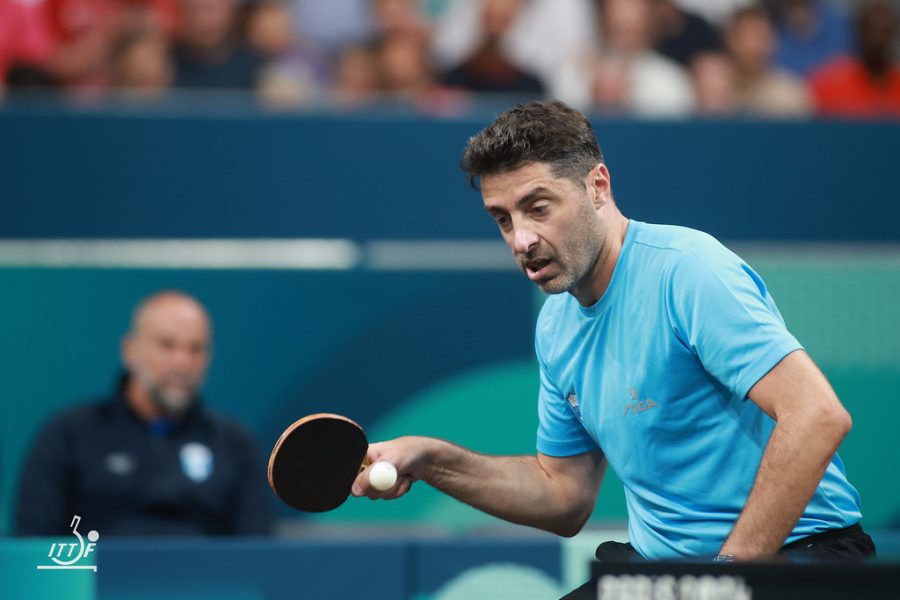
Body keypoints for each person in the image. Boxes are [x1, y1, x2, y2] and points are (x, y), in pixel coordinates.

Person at [351, 100, 874, 595]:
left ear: (597, 186)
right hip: (666, 576)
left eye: (537, 208)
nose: (521, 240)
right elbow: (565, 496)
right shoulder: (556, 324)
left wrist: (723, 581)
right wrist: (433, 460)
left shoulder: (687, 271)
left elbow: (817, 416)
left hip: (799, 557)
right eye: (503, 219)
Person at [15, 290, 273, 536]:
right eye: (167, 346)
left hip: (209, 570)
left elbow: (257, 551)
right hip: (96, 568)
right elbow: (36, 545)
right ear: (130, 351)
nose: (182, 363)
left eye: (195, 349)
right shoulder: (68, 435)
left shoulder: (235, 445)